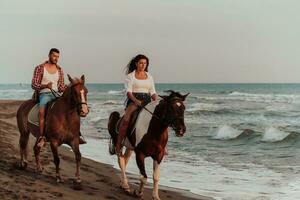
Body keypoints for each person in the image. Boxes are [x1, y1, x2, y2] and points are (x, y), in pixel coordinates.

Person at [31, 48, 86, 147]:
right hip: (44, 94)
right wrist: (45, 86)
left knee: (72, 108)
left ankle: (77, 134)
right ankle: (42, 137)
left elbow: (60, 87)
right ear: (49, 55)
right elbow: (34, 84)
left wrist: (72, 87)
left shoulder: (60, 70)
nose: (56, 58)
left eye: (58, 57)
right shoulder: (40, 68)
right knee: (42, 112)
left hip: (56, 95)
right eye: (54, 56)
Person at [115, 54, 157, 155]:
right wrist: (136, 101)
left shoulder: (149, 76)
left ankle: (160, 145)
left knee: (159, 117)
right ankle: (119, 144)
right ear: (136, 64)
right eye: (141, 63)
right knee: (126, 119)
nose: (143, 65)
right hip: (134, 99)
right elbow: (128, 92)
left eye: (145, 63)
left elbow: (152, 91)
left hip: (147, 100)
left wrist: (156, 100)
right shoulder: (130, 76)